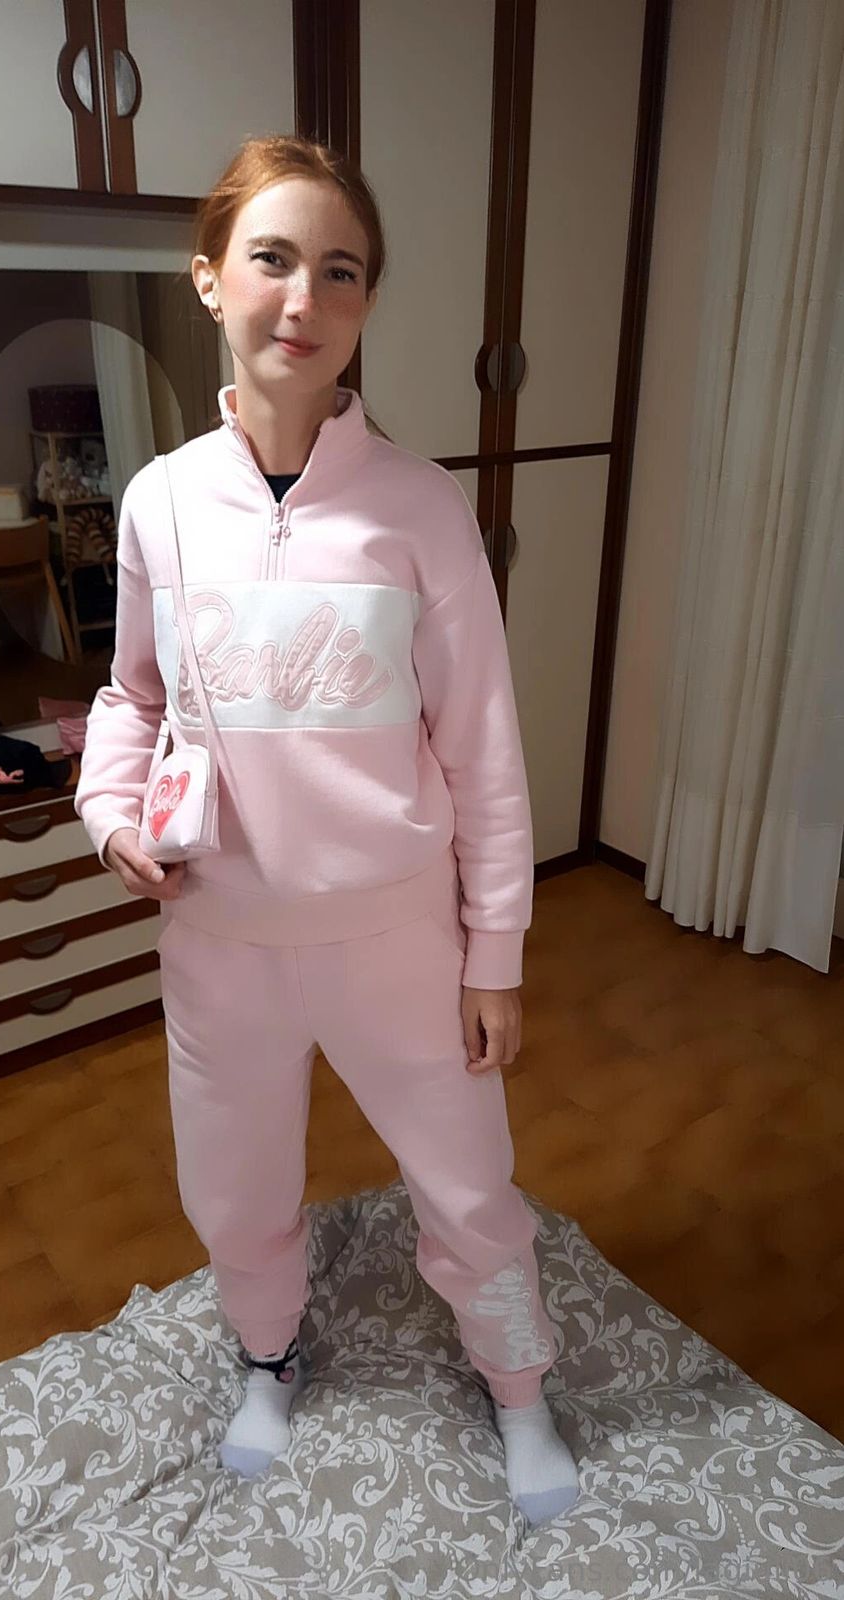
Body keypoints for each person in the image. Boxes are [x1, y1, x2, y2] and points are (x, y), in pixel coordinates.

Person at [74, 135, 579, 1527]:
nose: (306, 298)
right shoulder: (161, 502)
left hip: (397, 937)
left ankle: (518, 1385)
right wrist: (110, 814)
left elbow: (483, 747)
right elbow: (133, 698)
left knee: (467, 1183)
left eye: (341, 271)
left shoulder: (419, 507)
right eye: (274, 259)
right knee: (233, 1187)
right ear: (209, 278)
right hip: (220, 939)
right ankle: (268, 1355)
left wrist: (495, 952)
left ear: (365, 302)